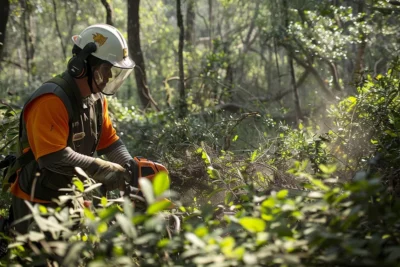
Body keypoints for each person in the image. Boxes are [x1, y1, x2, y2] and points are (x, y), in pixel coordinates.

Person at [8, 24, 135, 234]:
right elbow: (53, 158)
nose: (110, 78)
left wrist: (132, 169)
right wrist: (104, 169)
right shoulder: (51, 100)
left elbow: (109, 142)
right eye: (106, 71)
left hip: (72, 196)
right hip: (37, 203)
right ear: (81, 66)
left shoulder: (96, 99)